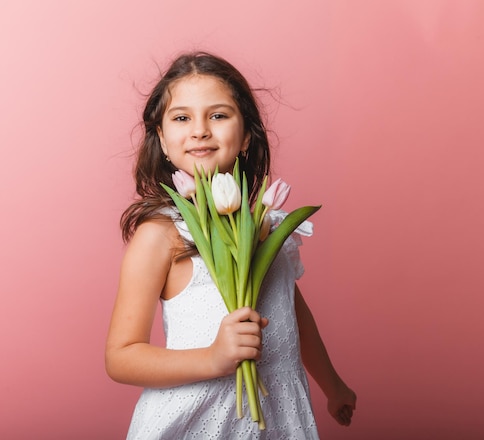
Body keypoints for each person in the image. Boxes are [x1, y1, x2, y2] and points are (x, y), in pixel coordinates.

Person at [105, 51, 356, 439]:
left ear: (246, 138)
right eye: (182, 118)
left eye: (218, 115)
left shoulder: (267, 229)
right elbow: (120, 357)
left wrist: (333, 385)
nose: (200, 130)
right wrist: (212, 359)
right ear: (162, 139)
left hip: (276, 412)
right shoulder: (161, 235)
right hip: (199, 416)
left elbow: (295, 317)